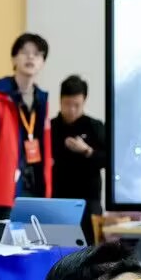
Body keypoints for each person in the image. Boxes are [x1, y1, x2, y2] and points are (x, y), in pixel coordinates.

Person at [0, 33, 53, 227]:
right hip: (4, 197)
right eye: (24, 52)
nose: (31, 57)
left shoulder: (42, 102)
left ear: (42, 62)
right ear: (14, 59)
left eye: (37, 54)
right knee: (1, 245)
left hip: (36, 195)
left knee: (35, 246)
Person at [49, 75, 107, 245]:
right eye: (67, 104)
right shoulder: (51, 127)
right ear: (60, 101)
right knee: (58, 248)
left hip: (88, 202)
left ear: (84, 101)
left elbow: (107, 161)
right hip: (58, 201)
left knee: (89, 250)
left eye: (77, 105)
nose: (72, 110)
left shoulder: (95, 126)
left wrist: (87, 151)